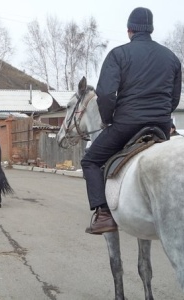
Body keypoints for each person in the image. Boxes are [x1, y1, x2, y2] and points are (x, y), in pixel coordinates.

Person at [81, 7, 182, 235]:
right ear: (152, 29)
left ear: (129, 30)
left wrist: (109, 120)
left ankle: (104, 214)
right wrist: (162, 115)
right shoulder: (172, 58)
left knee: (90, 161)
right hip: (161, 127)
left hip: (127, 125)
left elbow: (106, 94)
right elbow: (174, 98)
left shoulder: (119, 54)